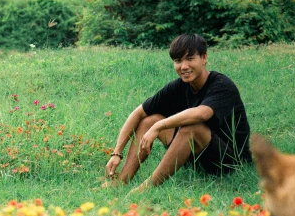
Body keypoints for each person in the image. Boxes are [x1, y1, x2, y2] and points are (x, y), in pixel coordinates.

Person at [105, 33, 251, 192]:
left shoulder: (222, 84)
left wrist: (159, 126)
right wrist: (116, 153)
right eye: (178, 61)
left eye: (190, 59)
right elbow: (138, 113)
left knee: (191, 127)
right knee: (149, 120)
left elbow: (202, 114)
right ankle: (121, 181)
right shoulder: (178, 86)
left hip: (230, 163)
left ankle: (146, 189)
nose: (184, 66)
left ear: (204, 58)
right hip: (199, 158)